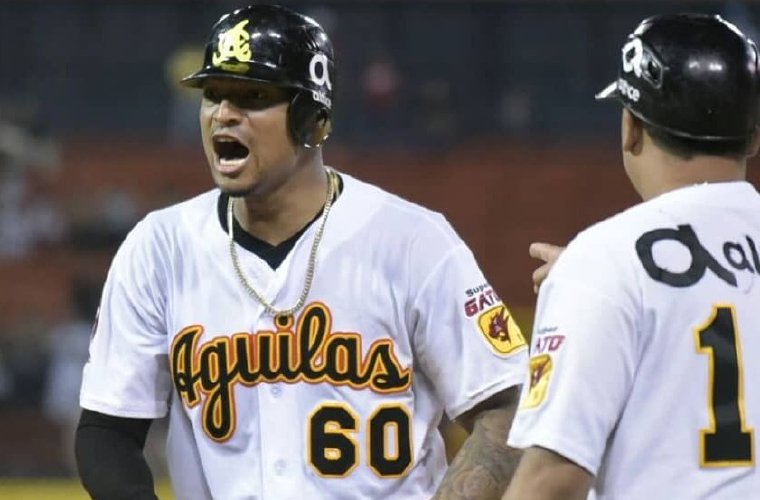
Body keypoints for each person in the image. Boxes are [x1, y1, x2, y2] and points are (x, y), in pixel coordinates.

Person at [75, 5, 528, 499]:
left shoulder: (414, 242)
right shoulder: (159, 248)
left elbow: (507, 407)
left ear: (313, 121)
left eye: (253, 97)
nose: (224, 114)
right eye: (213, 94)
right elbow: (108, 430)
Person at [504, 13, 760, 500]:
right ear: (753, 137)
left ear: (631, 128)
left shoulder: (605, 263)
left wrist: (600, 278)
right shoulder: (608, 267)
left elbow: (551, 482)